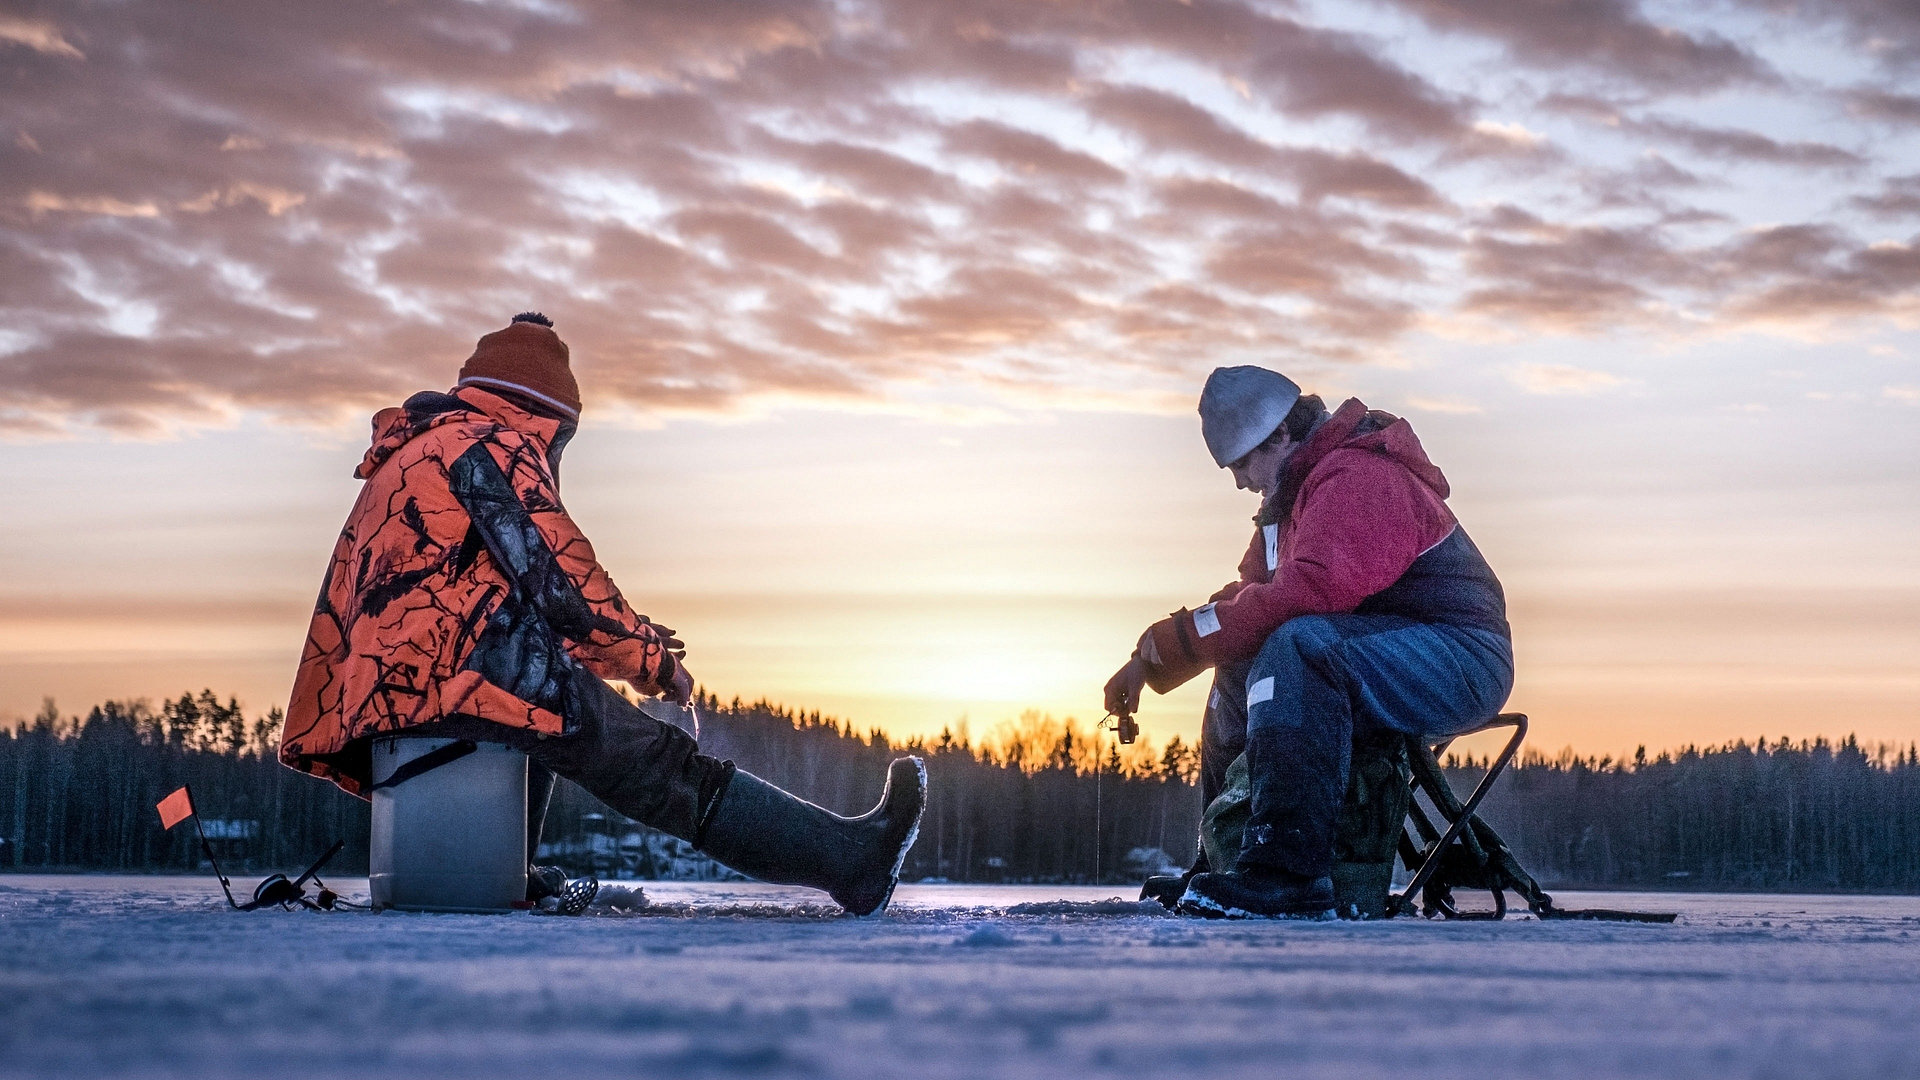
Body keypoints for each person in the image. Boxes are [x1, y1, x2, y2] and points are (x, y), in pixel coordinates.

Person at [280, 313, 925, 915]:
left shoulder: (415, 452)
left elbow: (499, 588)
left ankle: (512, 875)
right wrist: (650, 662)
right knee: (660, 766)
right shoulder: (490, 447)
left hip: (407, 681)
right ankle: (852, 862)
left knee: (538, 718)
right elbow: (561, 581)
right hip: (469, 666)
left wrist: (620, 643)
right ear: (546, 415)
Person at [1105, 367, 1512, 918]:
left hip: (1461, 656)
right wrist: (1151, 656)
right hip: (1375, 650)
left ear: (1279, 436)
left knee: (1298, 644)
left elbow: (1310, 594)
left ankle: (1289, 874)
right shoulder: (1292, 500)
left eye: (1243, 464)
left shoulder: (1355, 477)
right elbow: (1248, 601)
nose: (1240, 482)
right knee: (1246, 656)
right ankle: (1227, 863)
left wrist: (1179, 643)